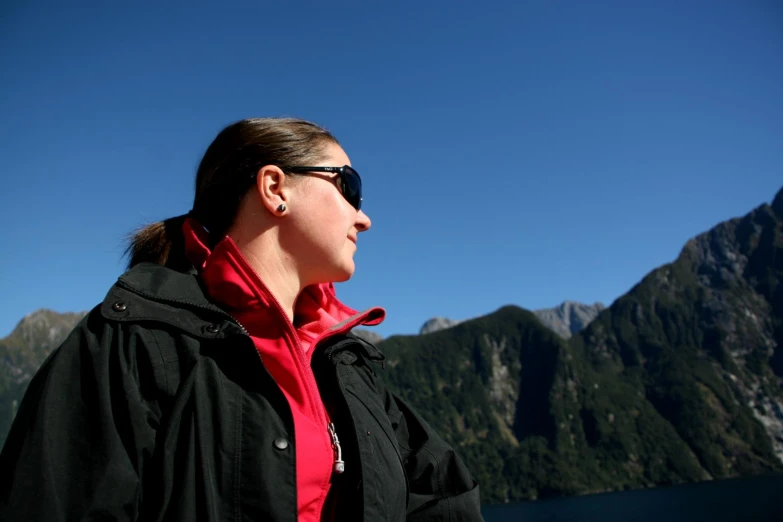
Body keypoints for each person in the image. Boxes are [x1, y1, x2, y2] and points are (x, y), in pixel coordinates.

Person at [0, 117, 484, 521]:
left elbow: (444, 498)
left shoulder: (347, 364)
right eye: (348, 186)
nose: (364, 218)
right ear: (276, 189)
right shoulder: (132, 344)